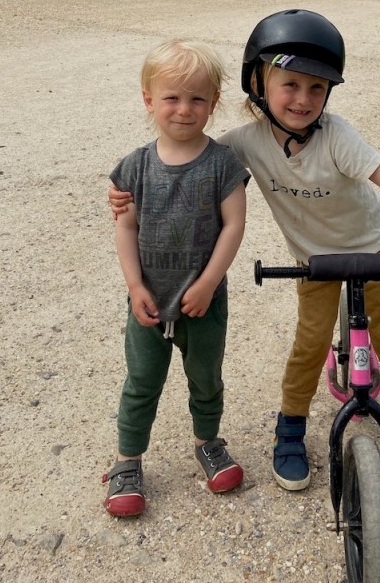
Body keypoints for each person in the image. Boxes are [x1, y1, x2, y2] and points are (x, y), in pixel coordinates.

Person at [110, 10, 380, 491]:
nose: (303, 99)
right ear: (259, 85)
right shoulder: (243, 144)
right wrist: (127, 192)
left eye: (316, 88)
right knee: (308, 345)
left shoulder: (338, 137)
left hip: (372, 248)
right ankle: (290, 428)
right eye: (289, 84)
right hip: (313, 262)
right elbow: (188, 155)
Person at [103, 40, 249, 517]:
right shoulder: (134, 166)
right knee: (141, 380)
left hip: (203, 301)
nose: (184, 109)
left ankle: (208, 442)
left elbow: (234, 225)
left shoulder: (223, 164)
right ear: (149, 100)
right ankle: (127, 461)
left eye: (197, 99)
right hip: (149, 299)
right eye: (172, 97)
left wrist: (208, 282)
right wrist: (134, 285)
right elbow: (126, 227)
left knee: (205, 377)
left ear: (214, 102)